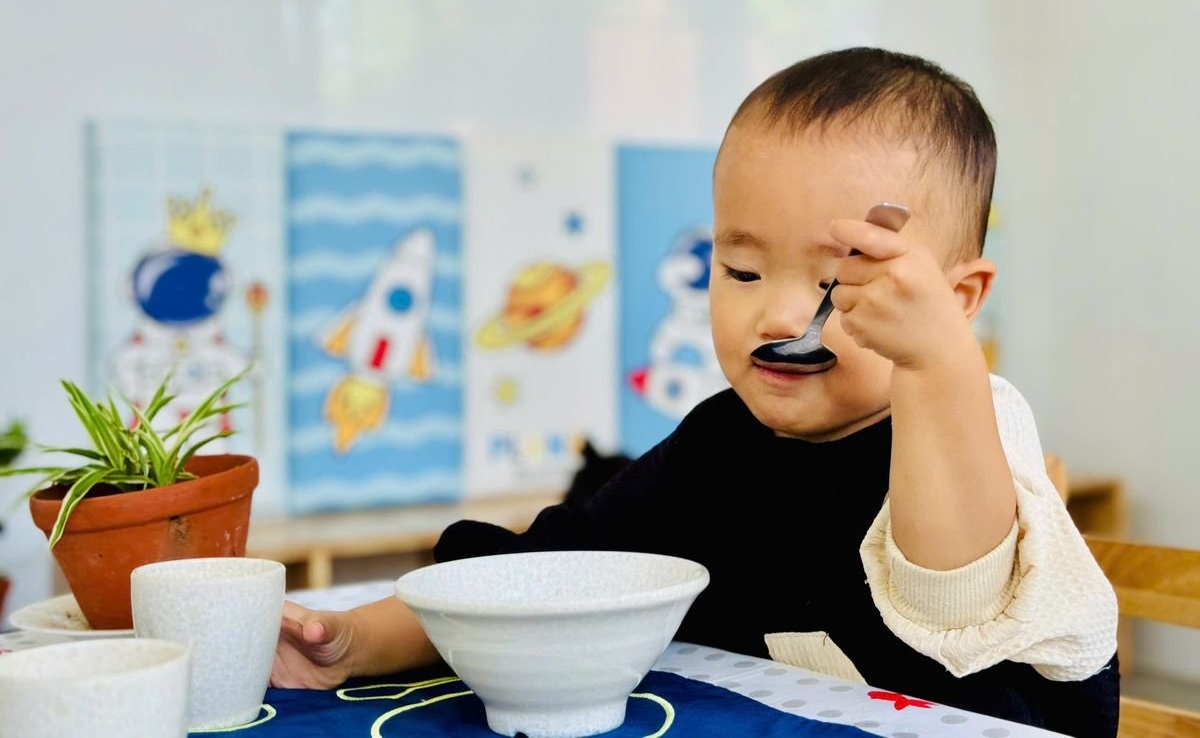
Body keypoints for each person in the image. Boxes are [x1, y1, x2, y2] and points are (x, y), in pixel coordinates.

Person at [272, 48, 1119, 735]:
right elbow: (556, 571)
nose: (778, 315)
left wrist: (938, 363)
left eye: (840, 281)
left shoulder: (975, 422)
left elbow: (952, 601)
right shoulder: (720, 443)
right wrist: (355, 640)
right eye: (741, 270)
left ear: (959, 301)